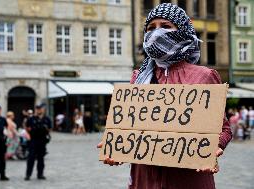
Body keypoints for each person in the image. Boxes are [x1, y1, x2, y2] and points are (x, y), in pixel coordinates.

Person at [98, 3, 232, 189]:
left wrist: (213, 147)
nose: (156, 33)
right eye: (151, 28)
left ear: (183, 30)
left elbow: (224, 129)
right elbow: (129, 128)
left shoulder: (204, 76)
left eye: (166, 26)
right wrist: (116, 147)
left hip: (187, 180)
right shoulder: (139, 77)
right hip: (144, 180)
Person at [25, 103, 52, 181]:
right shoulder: (31, 118)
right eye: (37, 109)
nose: (38, 110)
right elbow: (26, 127)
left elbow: (50, 129)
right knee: (31, 158)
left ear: (43, 109)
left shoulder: (47, 119)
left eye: (40, 108)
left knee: (41, 159)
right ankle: (28, 174)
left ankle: (40, 174)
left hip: (42, 141)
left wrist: (46, 130)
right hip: (33, 140)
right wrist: (29, 135)